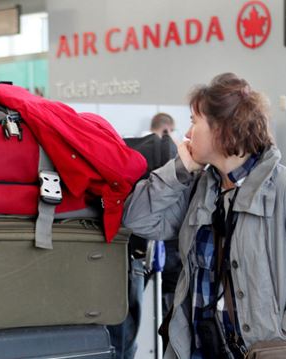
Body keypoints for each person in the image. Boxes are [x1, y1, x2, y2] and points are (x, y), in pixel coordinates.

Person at [122, 73, 286, 359]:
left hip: (265, 351)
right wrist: (179, 169)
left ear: (222, 130)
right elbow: (137, 219)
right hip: (198, 349)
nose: (186, 133)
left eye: (195, 122)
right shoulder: (198, 188)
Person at [107, 113, 178, 359]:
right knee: (126, 336)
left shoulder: (125, 148)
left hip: (115, 250)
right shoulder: (167, 155)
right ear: (168, 129)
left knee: (117, 331)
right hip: (139, 252)